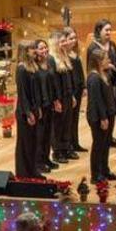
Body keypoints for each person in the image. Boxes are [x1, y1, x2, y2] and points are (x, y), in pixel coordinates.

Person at [86, 49, 116, 183]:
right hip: (98, 117)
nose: (109, 61)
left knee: (105, 144)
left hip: (108, 114)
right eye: (106, 59)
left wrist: (113, 69)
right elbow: (96, 100)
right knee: (98, 144)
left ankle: (104, 170)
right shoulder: (94, 78)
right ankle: (95, 174)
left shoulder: (105, 73)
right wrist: (103, 118)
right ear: (98, 62)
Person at [87, 20, 116, 147]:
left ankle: (109, 135)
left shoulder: (112, 45)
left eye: (110, 30)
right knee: (102, 106)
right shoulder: (93, 47)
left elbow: (115, 61)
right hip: (99, 80)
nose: (109, 32)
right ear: (99, 31)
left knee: (111, 109)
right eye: (106, 30)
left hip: (110, 81)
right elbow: (91, 65)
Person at [48, 30, 76, 165]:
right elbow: (53, 82)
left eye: (65, 41)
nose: (65, 43)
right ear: (55, 43)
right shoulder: (52, 58)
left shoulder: (64, 55)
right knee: (58, 125)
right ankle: (57, 151)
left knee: (67, 123)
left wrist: (71, 96)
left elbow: (68, 79)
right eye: (62, 41)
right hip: (58, 97)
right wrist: (56, 100)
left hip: (67, 95)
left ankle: (65, 148)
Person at [15, 41, 41, 178]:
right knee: (25, 143)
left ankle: (33, 170)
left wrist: (37, 108)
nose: (35, 51)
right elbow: (23, 93)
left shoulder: (32, 66)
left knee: (33, 142)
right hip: (25, 112)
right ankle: (23, 173)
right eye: (32, 49)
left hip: (33, 109)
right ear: (25, 51)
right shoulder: (21, 69)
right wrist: (28, 112)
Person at [33, 39, 55, 174]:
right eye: (41, 48)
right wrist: (38, 107)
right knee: (40, 136)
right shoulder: (34, 68)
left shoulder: (48, 64)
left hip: (49, 103)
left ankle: (46, 158)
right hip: (40, 105)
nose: (44, 50)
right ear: (35, 51)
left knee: (48, 134)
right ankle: (38, 162)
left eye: (45, 48)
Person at [64, 27, 87, 154]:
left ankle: (75, 142)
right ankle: (68, 144)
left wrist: (83, 86)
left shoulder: (75, 54)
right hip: (70, 89)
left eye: (74, 38)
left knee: (75, 117)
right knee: (69, 119)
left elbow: (80, 72)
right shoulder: (65, 56)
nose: (73, 41)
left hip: (78, 87)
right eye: (70, 38)